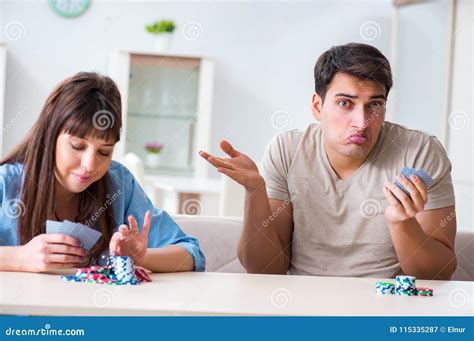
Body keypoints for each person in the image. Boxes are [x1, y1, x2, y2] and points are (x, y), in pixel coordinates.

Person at [200, 43, 456, 280]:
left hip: (387, 311)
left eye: (374, 105)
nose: (361, 121)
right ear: (317, 106)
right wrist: (255, 192)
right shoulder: (287, 150)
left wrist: (402, 223)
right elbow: (265, 269)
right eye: (345, 103)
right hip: (303, 307)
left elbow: (439, 275)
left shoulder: (420, 151)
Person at [0, 72, 205, 273]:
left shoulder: (119, 184)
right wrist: (19, 258)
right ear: (49, 136)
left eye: (104, 152)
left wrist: (144, 257)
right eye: (77, 146)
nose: (90, 164)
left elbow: (191, 253)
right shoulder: (5, 184)